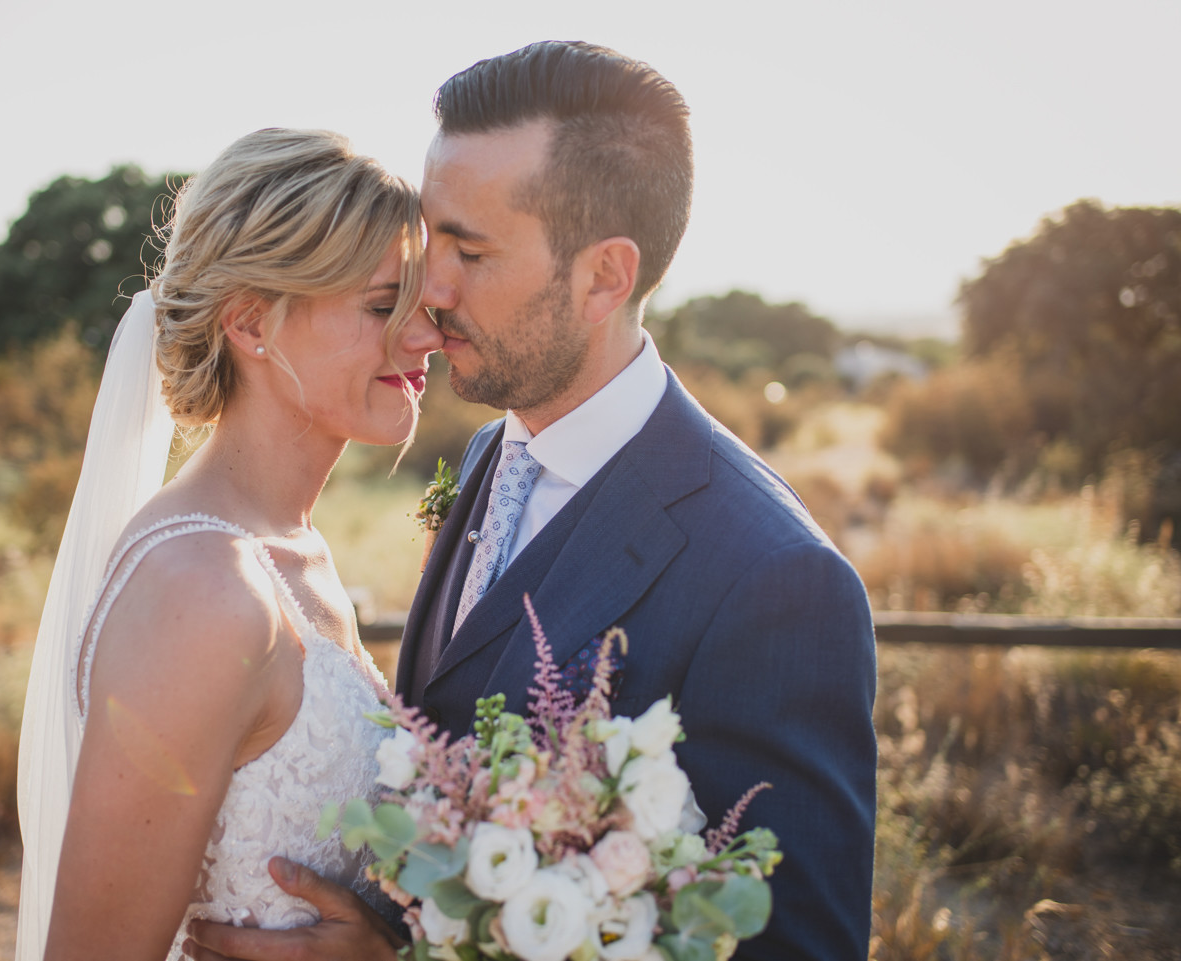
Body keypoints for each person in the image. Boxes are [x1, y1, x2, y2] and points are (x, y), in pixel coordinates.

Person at [185, 42, 877, 961]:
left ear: (604, 277)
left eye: (470, 252)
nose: (429, 292)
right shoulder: (488, 456)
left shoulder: (775, 580)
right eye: (432, 241)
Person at [14, 128, 443, 961]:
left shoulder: (293, 546)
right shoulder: (202, 590)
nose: (425, 336)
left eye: (423, 304)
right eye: (383, 305)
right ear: (250, 323)